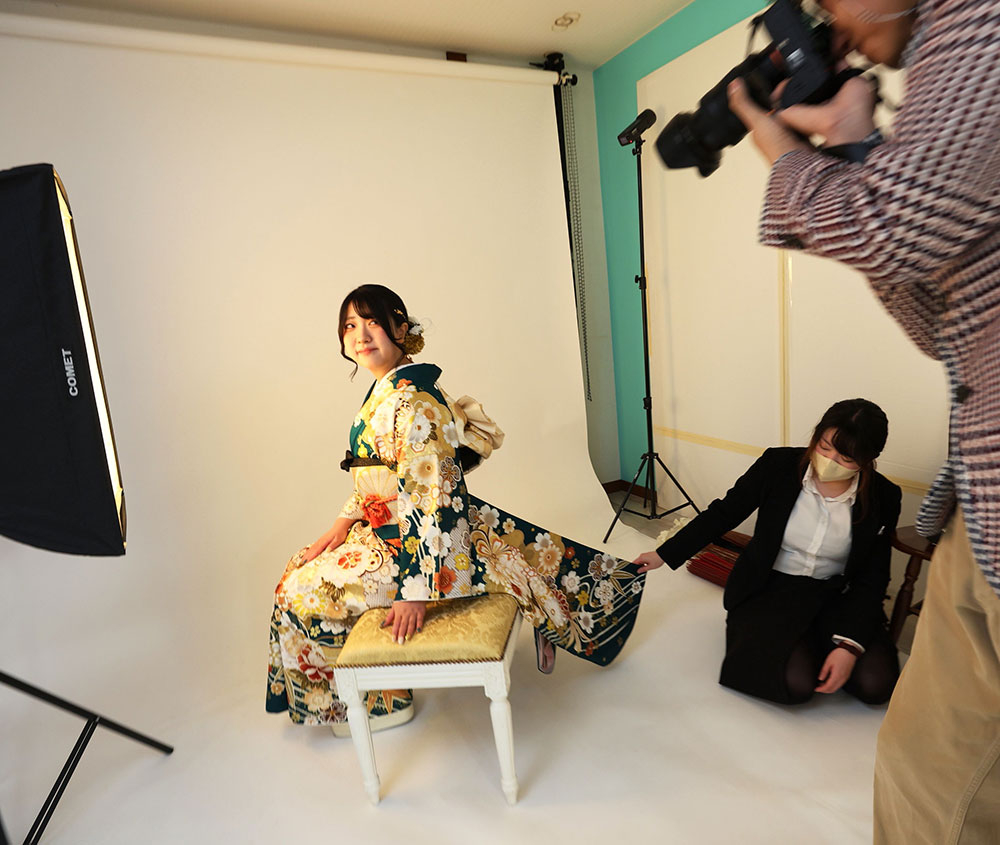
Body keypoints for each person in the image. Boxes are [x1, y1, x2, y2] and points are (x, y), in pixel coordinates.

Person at [725, 1, 1000, 840]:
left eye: (827, 4)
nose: (829, 26)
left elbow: (887, 230)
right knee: (922, 758)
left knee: (889, 697)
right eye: (827, 447)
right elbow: (938, 319)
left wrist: (785, 150)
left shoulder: (979, 24)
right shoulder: (780, 466)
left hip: (940, 534)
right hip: (964, 511)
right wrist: (851, 149)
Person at [266, 284, 646, 731]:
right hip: (392, 528)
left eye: (372, 322)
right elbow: (378, 473)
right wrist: (342, 522)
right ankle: (373, 694)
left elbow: (433, 497)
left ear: (400, 329)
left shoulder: (414, 402)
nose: (360, 335)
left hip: (420, 546)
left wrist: (417, 592)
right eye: (350, 326)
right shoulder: (390, 390)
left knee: (303, 592)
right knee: (298, 566)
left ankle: (381, 704)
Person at [634, 399, 902, 705]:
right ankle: (808, 642)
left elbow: (874, 572)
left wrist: (849, 647)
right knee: (795, 684)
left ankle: (819, 639)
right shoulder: (778, 465)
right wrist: (664, 554)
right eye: (825, 446)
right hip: (771, 586)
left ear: (868, 459)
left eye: (846, 457)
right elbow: (723, 513)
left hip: (836, 594)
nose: (830, 460)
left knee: (876, 684)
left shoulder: (883, 495)